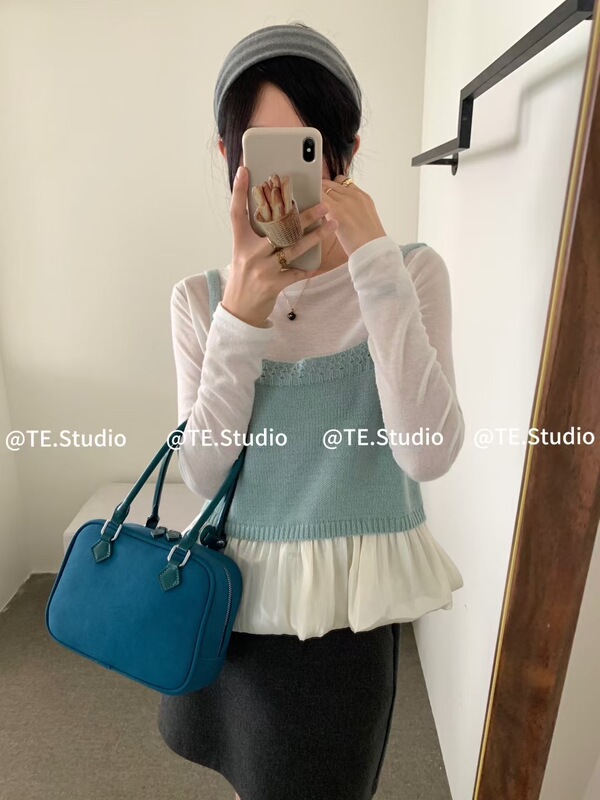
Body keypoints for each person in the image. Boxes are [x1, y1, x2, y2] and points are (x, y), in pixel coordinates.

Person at [157, 21, 465, 800]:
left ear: (346, 153)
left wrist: (376, 269)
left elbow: (427, 453)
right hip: (231, 607)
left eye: (305, 150)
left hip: (346, 627)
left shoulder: (409, 276)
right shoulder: (198, 300)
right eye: (257, 152)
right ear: (227, 158)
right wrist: (240, 317)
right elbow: (203, 473)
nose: (283, 181)